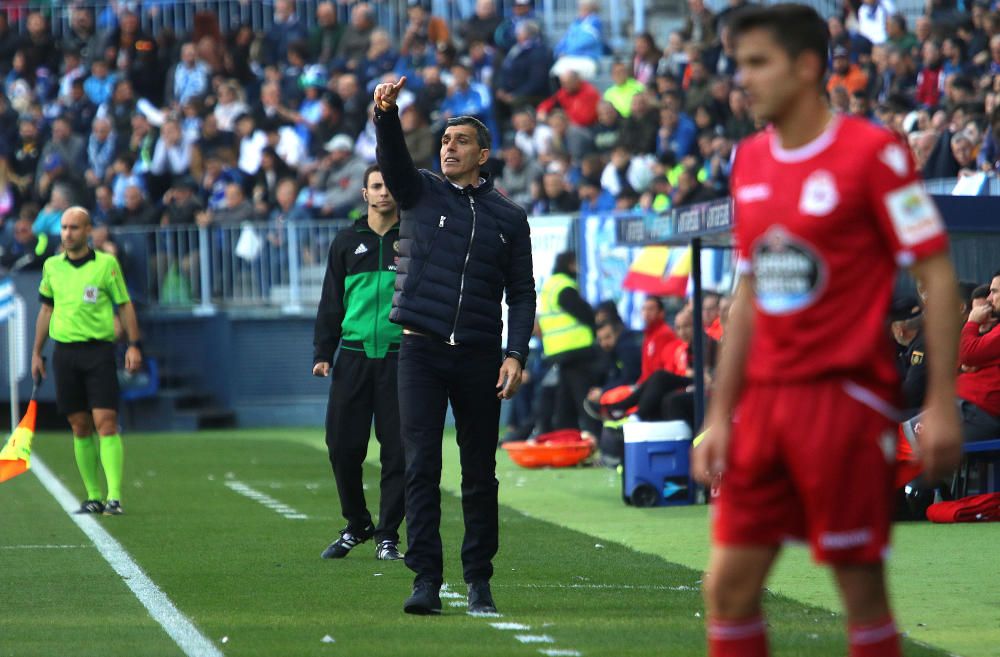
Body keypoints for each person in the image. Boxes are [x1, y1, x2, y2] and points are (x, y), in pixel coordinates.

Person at [691, 7, 962, 657]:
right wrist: (722, 413)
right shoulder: (749, 160)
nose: (742, 80)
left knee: (859, 589)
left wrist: (941, 402)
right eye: (738, 65)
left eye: (758, 63)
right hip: (763, 406)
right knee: (727, 588)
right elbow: (750, 294)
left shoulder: (873, 154)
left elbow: (940, 277)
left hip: (842, 402)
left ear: (807, 66)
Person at [372, 76, 535, 616]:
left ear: (482, 155)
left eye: (460, 141)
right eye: (445, 140)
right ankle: (425, 579)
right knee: (421, 464)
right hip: (420, 351)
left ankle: (479, 580)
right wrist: (386, 115)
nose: (449, 147)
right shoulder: (419, 189)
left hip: (479, 355)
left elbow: (522, 291)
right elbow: (392, 161)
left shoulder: (510, 218)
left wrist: (516, 354)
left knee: (478, 473)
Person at [313, 164, 406, 562]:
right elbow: (331, 302)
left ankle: (388, 535)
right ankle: (357, 523)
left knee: (399, 452)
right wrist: (322, 353)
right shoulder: (346, 242)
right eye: (376, 186)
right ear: (365, 194)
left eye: (389, 186)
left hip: (402, 359)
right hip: (351, 358)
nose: (383, 192)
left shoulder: (415, 238)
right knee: (341, 447)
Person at [31, 207, 143, 516]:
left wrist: (134, 345)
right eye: (64, 227)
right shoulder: (52, 266)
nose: (67, 233)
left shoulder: (106, 265)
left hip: (98, 352)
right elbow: (45, 311)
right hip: (65, 354)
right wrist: (36, 352)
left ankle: (115, 496)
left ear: (88, 230)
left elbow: (125, 305)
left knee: (105, 422)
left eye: (74, 228)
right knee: (79, 425)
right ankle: (93, 495)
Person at [538, 251, 596, 432]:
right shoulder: (564, 286)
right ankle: (595, 436)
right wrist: (596, 323)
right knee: (583, 399)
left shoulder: (549, 285)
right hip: (576, 348)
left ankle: (566, 437)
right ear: (571, 264)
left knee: (565, 400)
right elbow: (585, 313)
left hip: (557, 351)